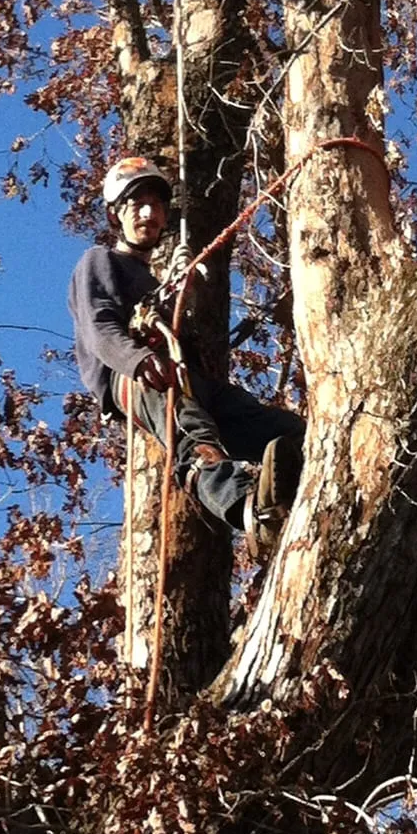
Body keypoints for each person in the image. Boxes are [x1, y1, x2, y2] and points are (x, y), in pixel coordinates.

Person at [68, 156, 305, 556]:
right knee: (191, 432)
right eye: (135, 204)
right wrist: (138, 361)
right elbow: (99, 328)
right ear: (115, 216)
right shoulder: (100, 261)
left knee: (281, 430)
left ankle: (299, 478)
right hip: (137, 378)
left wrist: (177, 290)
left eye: (157, 205)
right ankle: (251, 510)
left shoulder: (155, 279)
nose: (148, 213)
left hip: (188, 374)